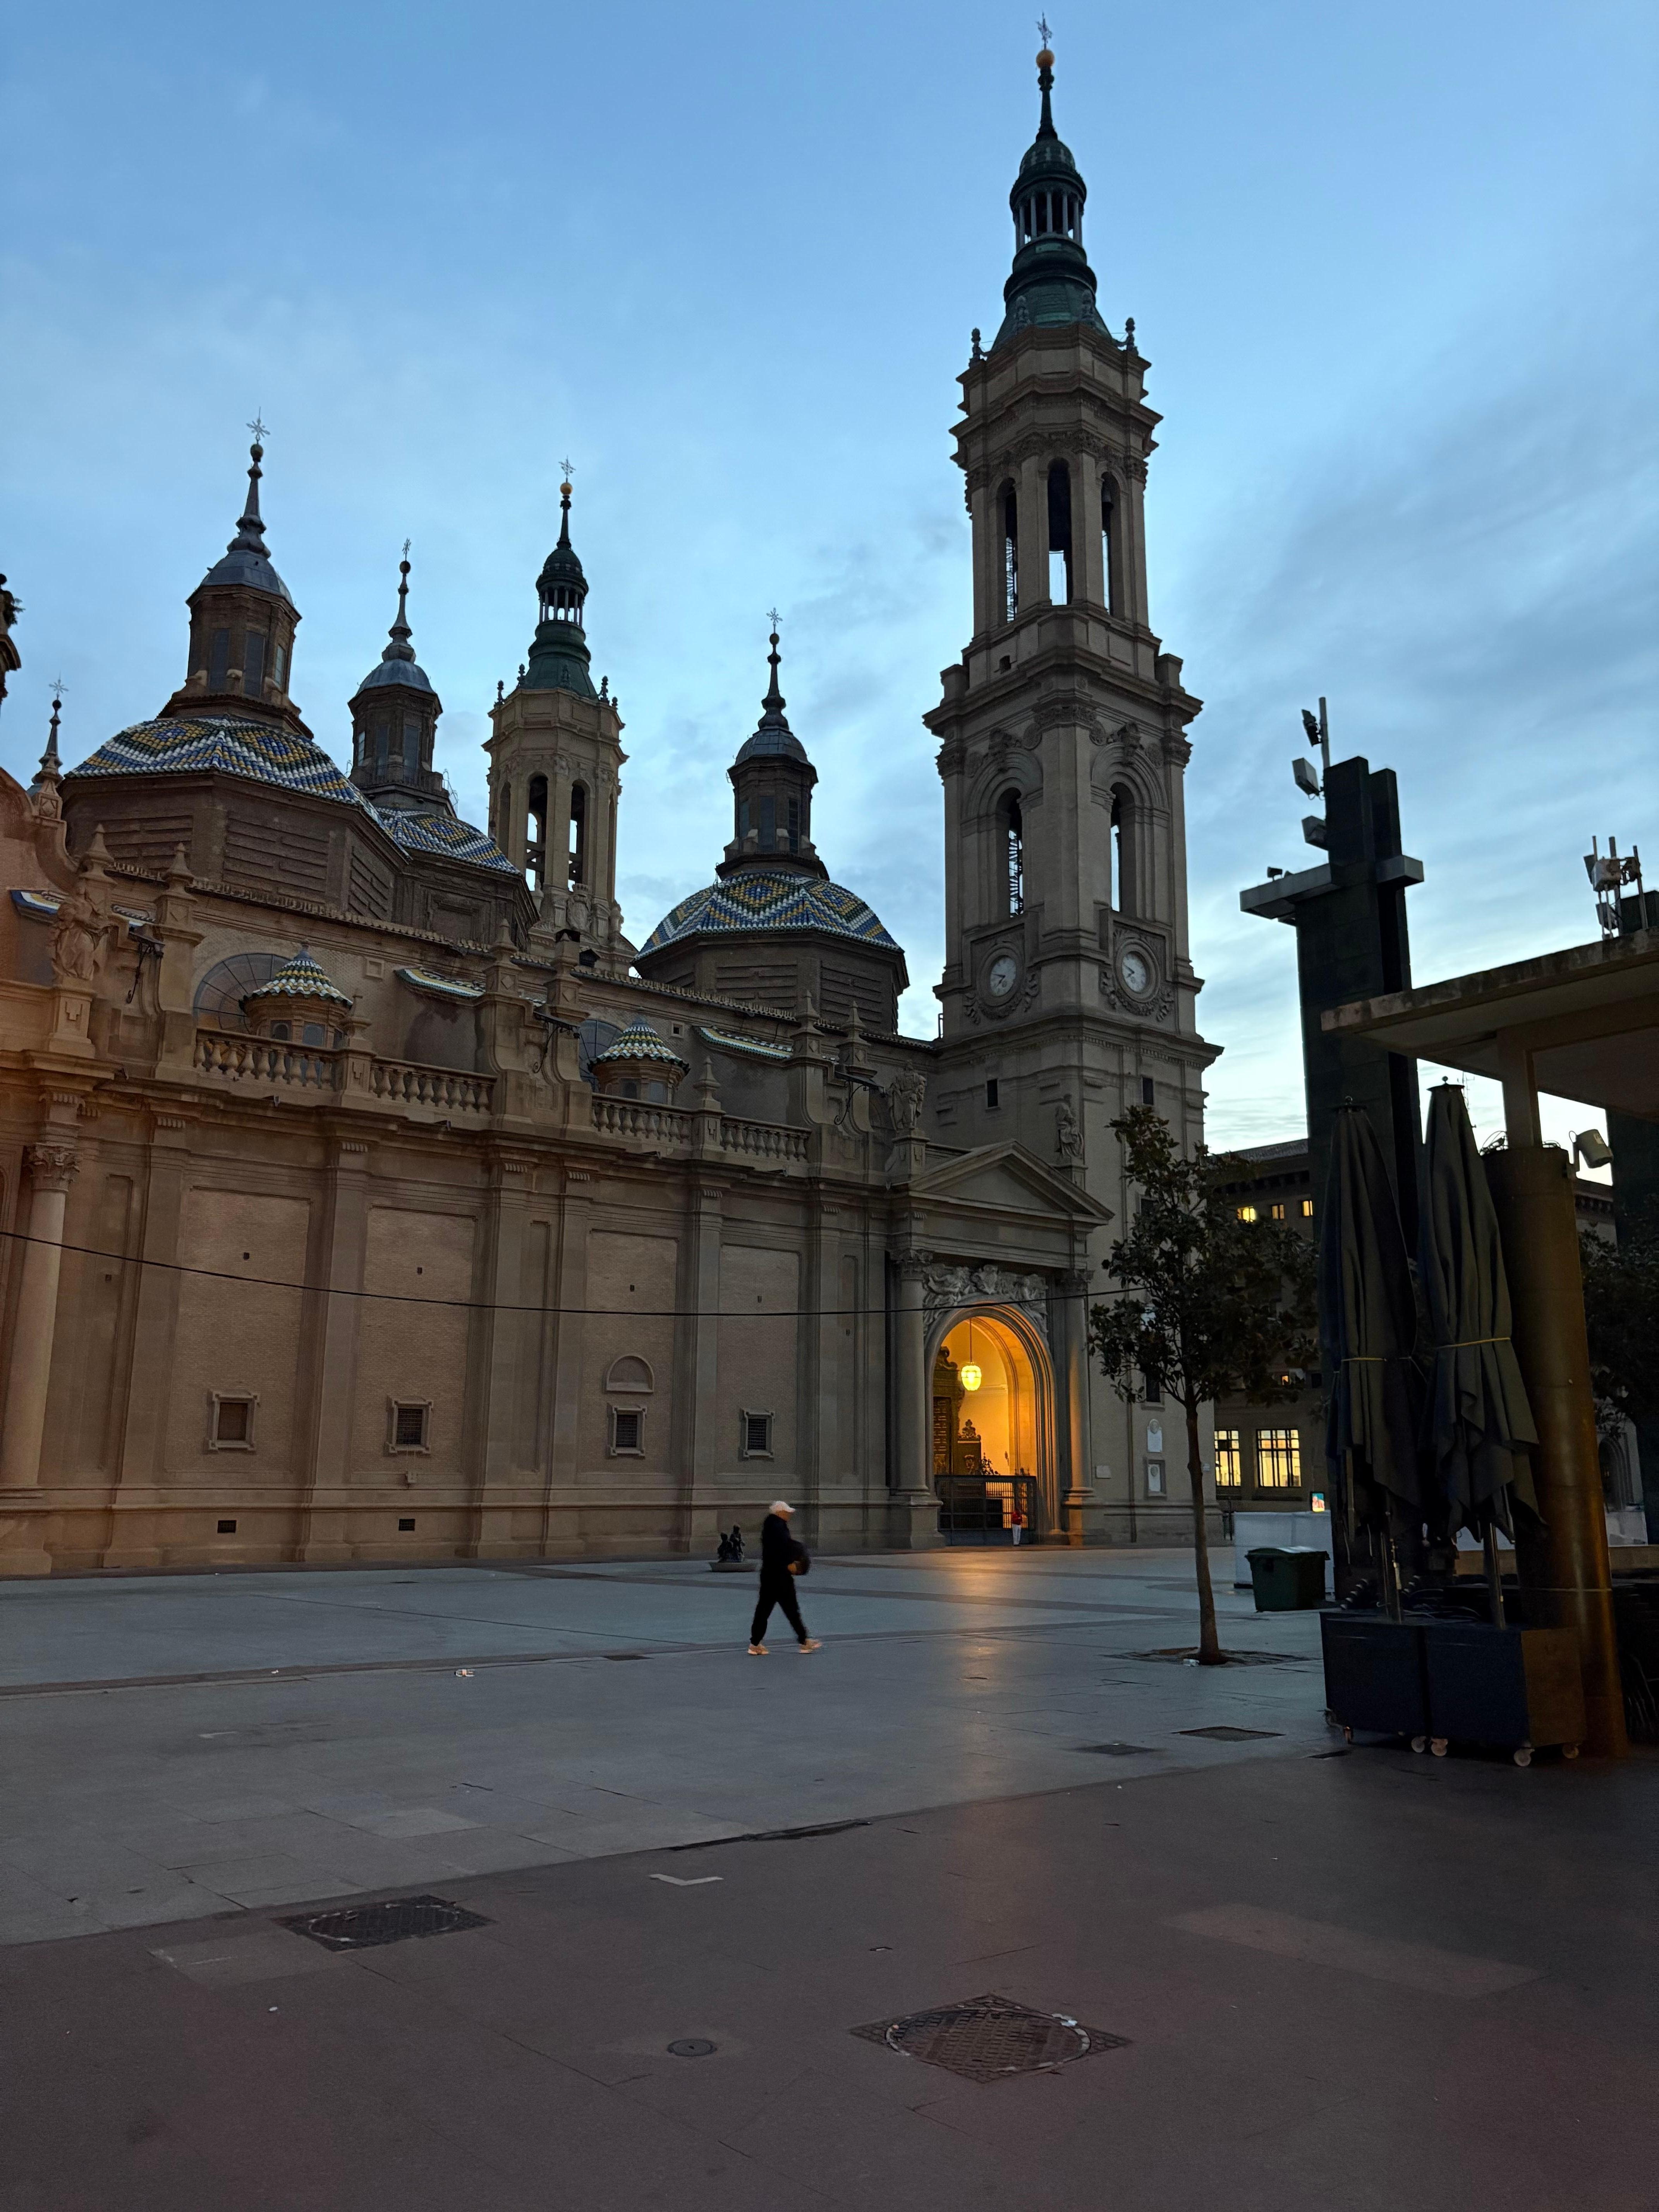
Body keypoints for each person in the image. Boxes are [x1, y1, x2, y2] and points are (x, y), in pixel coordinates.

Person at [748, 1501, 820, 1655]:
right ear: (780, 1512)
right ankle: (804, 1642)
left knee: (764, 1610)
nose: (789, 1515)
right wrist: (796, 1556)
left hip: (769, 1574)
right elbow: (783, 1547)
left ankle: (755, 1644)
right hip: (780, 1576)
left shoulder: (770, 1526)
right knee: (791, 1610)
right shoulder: (778, 1527)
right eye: (787, 1512)